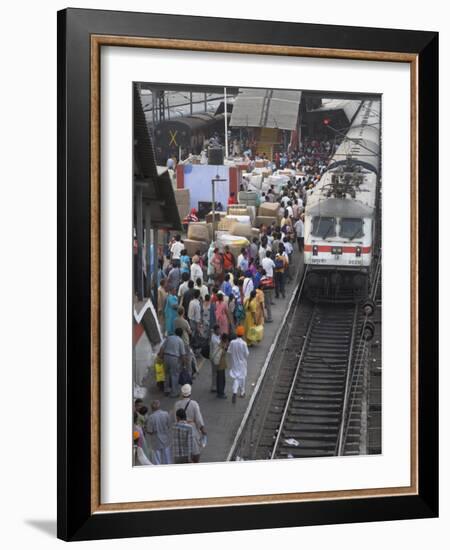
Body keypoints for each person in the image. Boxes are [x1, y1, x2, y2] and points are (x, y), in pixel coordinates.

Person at [174, 384, 207, 463]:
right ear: (190, 393)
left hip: (180, 427)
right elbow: (198, 419)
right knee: (195, 449)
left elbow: (175, 418)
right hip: (191, 427)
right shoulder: (194, 404)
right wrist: (203, 429)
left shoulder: (177, 404)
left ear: (182, 393)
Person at [160, 327, 187, 397]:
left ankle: (166, 390)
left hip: (166, 356)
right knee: (174, 375)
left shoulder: (169, 338)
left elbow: (162, 348)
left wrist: (161, 356)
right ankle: (174, 392)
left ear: (175, 332)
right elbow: (183, 354)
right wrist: (184, 364)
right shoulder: (180, 341)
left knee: (166, 374)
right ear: (181, 334)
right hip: (174, 358)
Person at [227, 326, 249, 403]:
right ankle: (242, 391)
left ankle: (235, 391)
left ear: (237, 334)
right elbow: (247, 354)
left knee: (236, 378)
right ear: (243, 334)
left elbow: (229, 351)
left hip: (234, 364)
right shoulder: (244, 344)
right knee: (242, 377)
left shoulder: (232, 342)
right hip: (242, 364)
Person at [145, 400, 171, 465]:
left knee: (157, 459)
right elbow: (169, 425)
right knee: (167, 457)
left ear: (151, 408)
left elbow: (150, 431)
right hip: (166, 440)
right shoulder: (166, 414)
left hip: (156, 442)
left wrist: (145, 428)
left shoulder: (151, 417)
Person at [215, 333, 229, 398]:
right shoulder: (222, 345)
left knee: (220, 379)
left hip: (220, 365)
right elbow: (222, 353)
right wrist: (225, 348)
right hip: (220, 365)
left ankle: (219, 392)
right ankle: (220, 393)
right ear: (225, 339)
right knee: (221, 380)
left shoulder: (221, 344)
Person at [209, 325, 221, 392]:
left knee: (215, 373)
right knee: (215, 373)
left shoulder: (216, 336)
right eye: (218, 330)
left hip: (215, 357)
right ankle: (214, 386)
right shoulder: (214, 339)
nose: (219, 331)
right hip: (214, 358)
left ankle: (214, 386)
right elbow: (219, 345)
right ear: (215, 330)